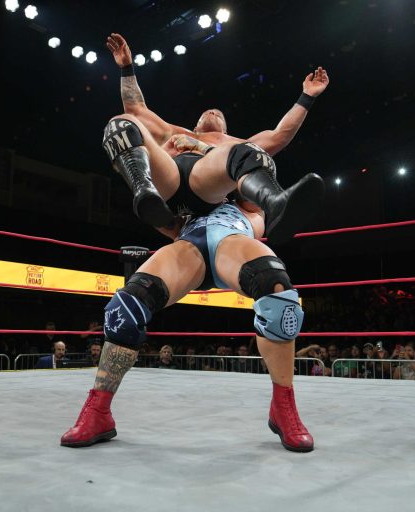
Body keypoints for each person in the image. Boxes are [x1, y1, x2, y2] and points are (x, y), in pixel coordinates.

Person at [61, 193, 315, 452]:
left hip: (233, 239)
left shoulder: (242, 191)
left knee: (277, 293)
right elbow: (162, 218)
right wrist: (152, 190)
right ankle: (98, 411)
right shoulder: (183, 186)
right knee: (125, 309)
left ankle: (283, 407)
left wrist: (212, 170)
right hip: (189, 244)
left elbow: (254, 184)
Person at [102, 33, 328, 247]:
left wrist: (307, 97)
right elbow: (136, 109)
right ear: (195, 126)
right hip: (168, 184)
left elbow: (280, 135)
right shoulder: (174, 132)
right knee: (120, 123)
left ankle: (275, 203)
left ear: (225, 129)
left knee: (249, 151)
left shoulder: (236, 145)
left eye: (219, 114)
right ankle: (144, 193)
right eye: (207, 113)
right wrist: (126, 68)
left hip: (207, 188)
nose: (212, 112)